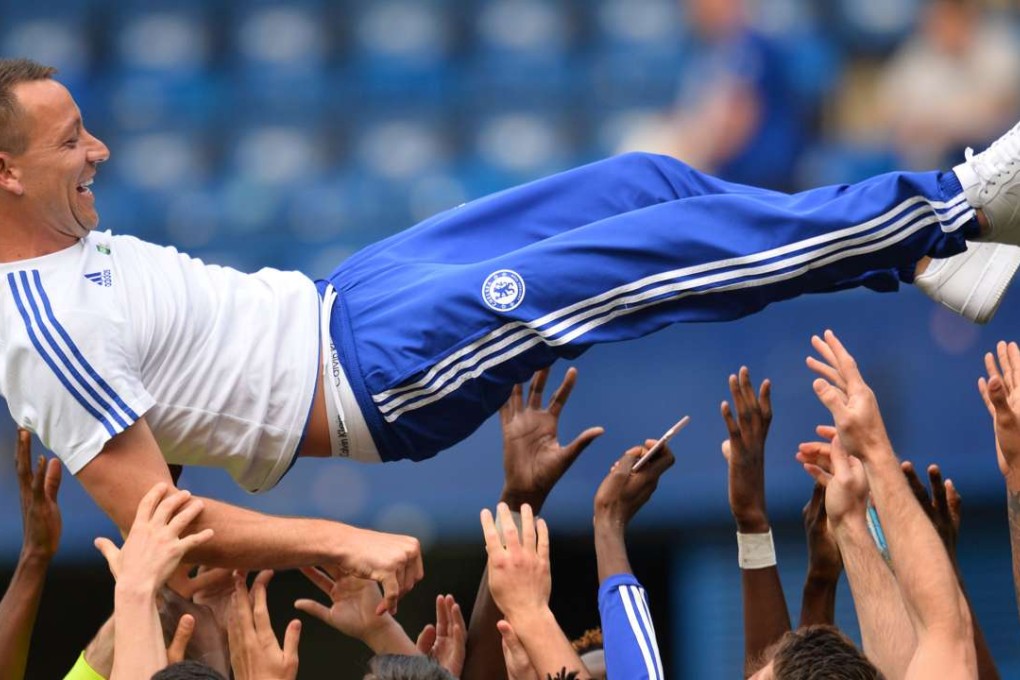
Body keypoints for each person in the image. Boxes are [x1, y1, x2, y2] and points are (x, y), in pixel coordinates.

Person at [4, 58, 1020, 584]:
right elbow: (153, 519)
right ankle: (958, 207)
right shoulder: (37, 327)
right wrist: (336, 537)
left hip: (349, 297)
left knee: (641, 182)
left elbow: (166, 412)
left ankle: (929, 253)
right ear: (6, 173)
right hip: (383, 375)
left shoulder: (63, 245)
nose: (98, 150)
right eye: (68, 143)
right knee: (652, 259)